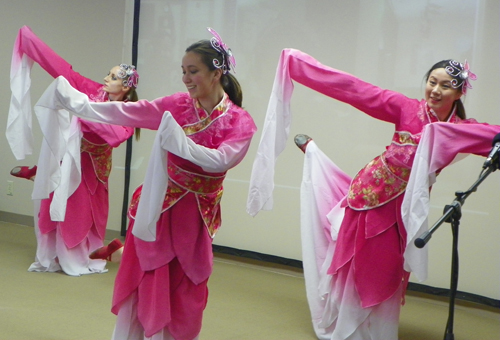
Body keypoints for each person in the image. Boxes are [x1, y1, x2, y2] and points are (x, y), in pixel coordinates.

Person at [247, 49, 500, 340]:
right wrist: (300, 66)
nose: (436, 90)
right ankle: (349, 329)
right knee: (359, 265)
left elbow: (490, 135)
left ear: (459, 93)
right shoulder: (405, 107)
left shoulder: (459, 130)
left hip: (404, 209)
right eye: (432, 81)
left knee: (386, 270)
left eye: (446, 85)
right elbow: (354, 90)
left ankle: (377, 331)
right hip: (368, 198)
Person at [33, 28, 257, 340]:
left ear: (217, 72)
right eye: (183, 72)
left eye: (193, 71)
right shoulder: (177, 105)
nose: (186, 79)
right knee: (148, 280)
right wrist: (77, 104)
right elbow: (127, 111)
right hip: (156, 207)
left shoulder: (240, 122)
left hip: (196, 216)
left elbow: (221, 160)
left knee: (188, 289)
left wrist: (177, 141)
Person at [6, 26, 140, 276]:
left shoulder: (128, 113)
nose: (105, 79)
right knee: (55, 204)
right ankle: (54, 254)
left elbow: (114, 137)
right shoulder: (91, 91)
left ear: (125, 87)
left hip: (92, 171)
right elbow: (64, 71)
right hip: (68, 158)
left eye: (113, 77)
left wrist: (82, 110)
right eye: (107, 74)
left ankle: (81, 255)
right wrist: (30, 42)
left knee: (80, 214)